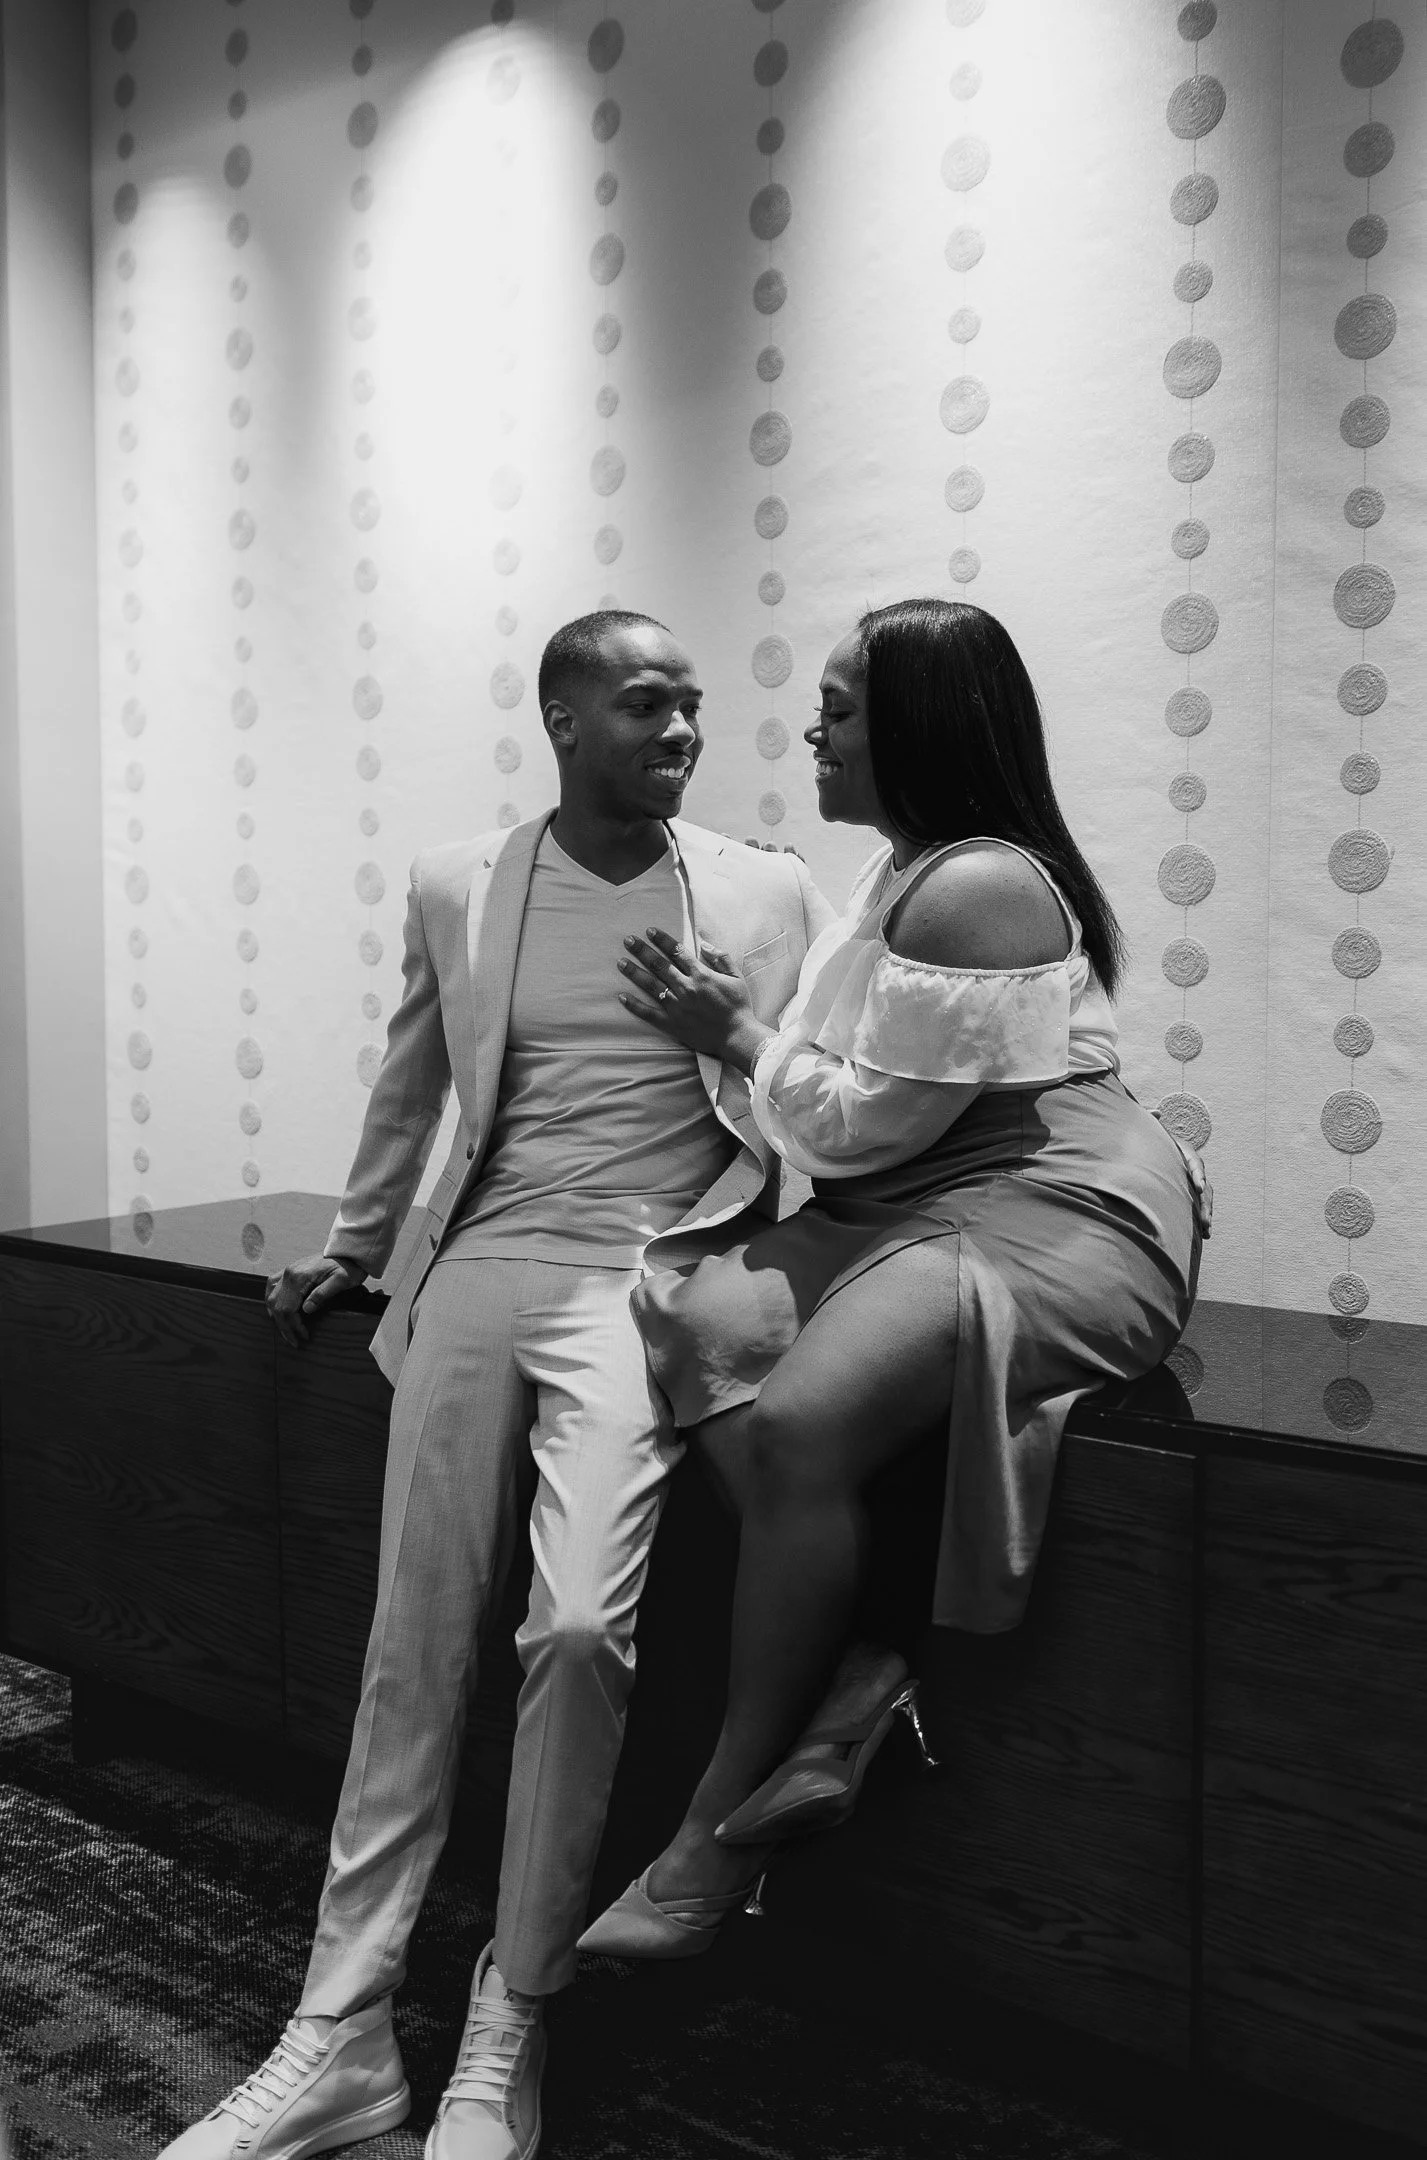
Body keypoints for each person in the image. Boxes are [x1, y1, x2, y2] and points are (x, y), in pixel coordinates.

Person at [158, 610, 834, 2160]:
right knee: (412, 1641)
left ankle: (508, 2018)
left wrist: (726, 1038)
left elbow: (807, 1105)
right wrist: (353, 1244)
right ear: (562, 716)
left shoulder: (761, 889)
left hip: (642, 1284)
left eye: (691, 710)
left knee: (582, 1630)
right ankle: (335, 2034)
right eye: (646, 706)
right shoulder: (465, 878)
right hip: (473, 1275)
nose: (678, 733)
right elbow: (414, 1077)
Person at [577, 597, 1207, 1956]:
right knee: (690, 1307)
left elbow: (858, 1123)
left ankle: (712, 1831)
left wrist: (731, 1030)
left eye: (843, 705)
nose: (815, 726)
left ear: (920, 725)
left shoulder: (978, 881)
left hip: (1050, 1207)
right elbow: (852, 1131)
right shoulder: (889, 872)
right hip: (910, 1199)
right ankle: (858, 1676)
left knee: (803, 1420)